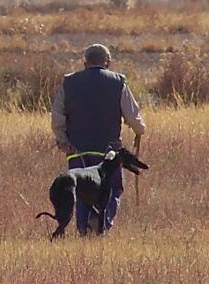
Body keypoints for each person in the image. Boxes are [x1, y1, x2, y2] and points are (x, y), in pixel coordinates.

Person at [51, 44, 146, 234]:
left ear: (85, 62)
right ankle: (102, 223)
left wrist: (63, 141)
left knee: (81, 191)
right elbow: (132, 115)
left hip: (77, 150)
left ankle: (84, 229)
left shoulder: (69, 83)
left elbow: (57, 116)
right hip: (108, 152)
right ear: (108, 62)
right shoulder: (118, 82)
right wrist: (140, 129)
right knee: (112, 189)